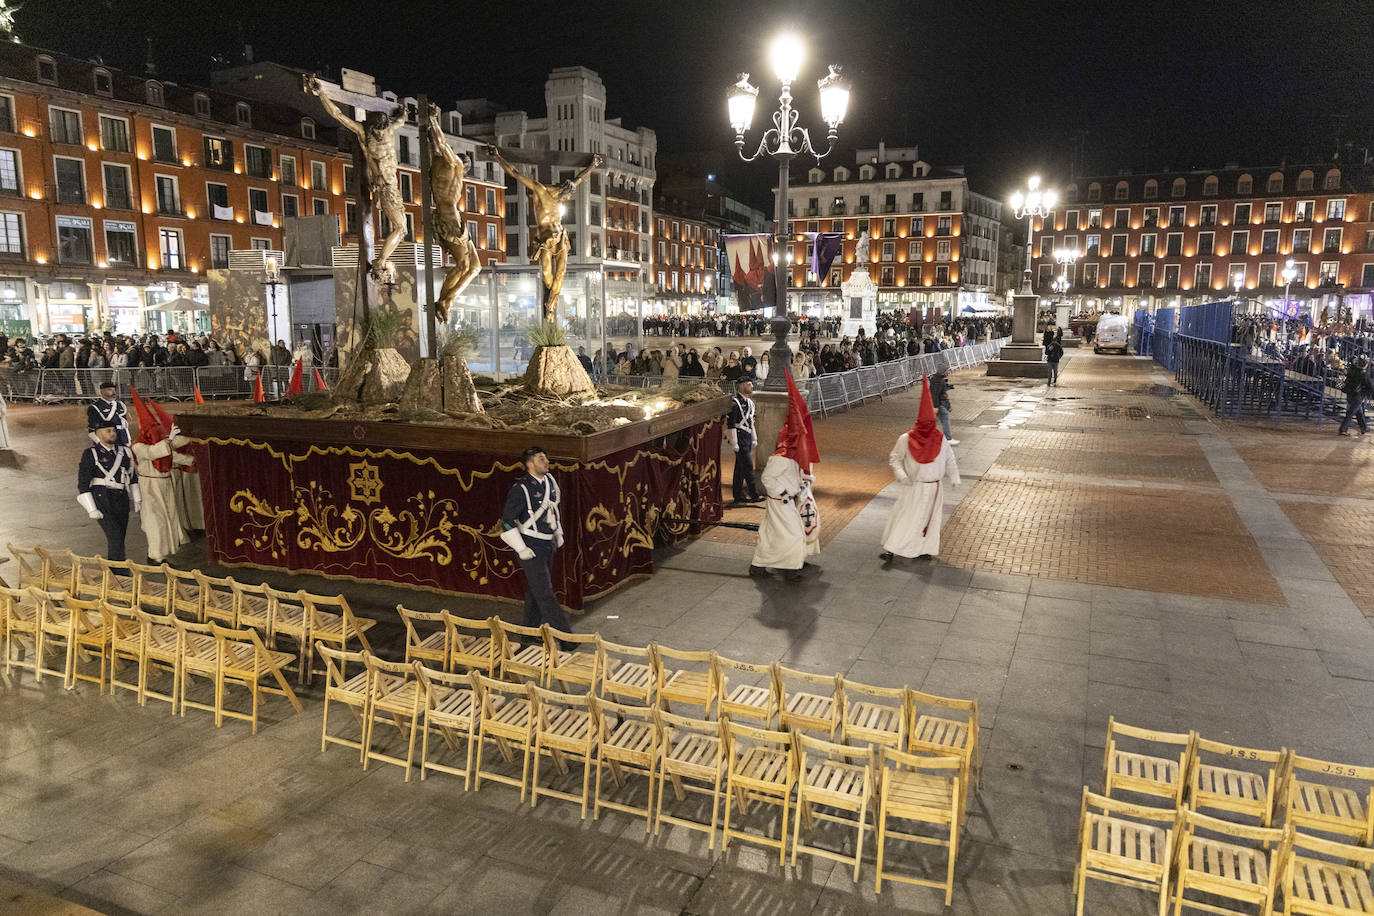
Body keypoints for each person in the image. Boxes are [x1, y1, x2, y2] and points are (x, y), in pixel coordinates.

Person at [880, 377, 961, 562]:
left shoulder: (940, 439)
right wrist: (901, 475)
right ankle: (892, 547)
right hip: (914, 486)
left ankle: (924, 548)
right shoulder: (906, 439)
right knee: (905, 516)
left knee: (930, 520)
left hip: (934, 488)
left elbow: (950, 459)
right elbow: (895, 458)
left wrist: (954, 476)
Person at [750, 371, 820, 581]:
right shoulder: (780, 458)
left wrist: (803, 485)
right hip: (780, 501)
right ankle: (790, 568)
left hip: (787, 499)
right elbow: (767, 479)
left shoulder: (795, 456)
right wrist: (783, 493)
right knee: (793, 533)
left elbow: (798, 476)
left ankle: (759, 565)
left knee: (771, 534)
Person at [500, 445, 574, 635]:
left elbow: (553, 511)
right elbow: (507, 522)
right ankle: (566, 637)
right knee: (545, 593)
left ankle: (529, 634)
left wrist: (558, 532)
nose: (547, 462)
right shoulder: (521, 488)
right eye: (541, 459)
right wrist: (521, 548)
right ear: (529, 463)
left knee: (535, 592)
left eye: (546, 458)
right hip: (531, 545)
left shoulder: (550, 482)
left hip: (547, 543)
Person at [130, 392, 190, 562]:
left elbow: (173, 448)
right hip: (149, 487)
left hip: (165, 485)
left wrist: (191, 434)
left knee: (167, 519)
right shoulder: (138, 446)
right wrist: (169, 440)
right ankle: (154, 555)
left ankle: (162, 553)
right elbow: (153, 452)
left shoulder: (161, 442)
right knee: (155, 522)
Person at [78, 417, 140, 564]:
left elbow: (132, 477)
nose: (113, 433)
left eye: (113, 430)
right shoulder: (91, 454)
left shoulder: (125, 452)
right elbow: (83, 484)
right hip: (102, 499)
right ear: (99, 434)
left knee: (120, 537)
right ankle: (118, 571)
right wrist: (91, 509)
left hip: (121, 498)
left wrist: (137, 499)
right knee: (115, 536)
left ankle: (116, 569)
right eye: (108, 431)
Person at [726, 376, 761, 504]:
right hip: (739, 437)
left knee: (740, 467)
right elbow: (731, 424)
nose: (752, 386)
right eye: (749, 384)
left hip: (746, 436)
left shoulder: (750, 403)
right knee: (748, 466)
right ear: (741, 386)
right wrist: (734, 442)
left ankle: (738, 494)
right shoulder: (735, 403)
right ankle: (754, 495)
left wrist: (754, 438)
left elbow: (751, 422)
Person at [87, 380, 129, 447]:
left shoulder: (120, 405)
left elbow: (124, 425)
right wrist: (99, 443)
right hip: (106, 440)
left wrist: (127, 441)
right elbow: (91, 430)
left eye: (114, 390)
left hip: (121, 440)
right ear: (102, 391)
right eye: (110, 390)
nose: (113, 392)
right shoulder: (95, 407)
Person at [1339, 355, 1372, 436]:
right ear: (1365, 365)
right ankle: (1343, 429)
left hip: (1350, 394)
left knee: (1359, 412)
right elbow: (1370, 385)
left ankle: (1364, 427)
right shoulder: (1363, 374)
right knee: (1351, 413)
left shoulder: (1352, 370)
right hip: (1357, 395)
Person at [929, 366, 958, 445]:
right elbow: (935, 394)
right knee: (944, 417)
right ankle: (948, 438)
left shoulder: (938, 379)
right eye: (947, 371)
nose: (948, 372)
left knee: (939, 419)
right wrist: (935, 406)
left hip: (938, 403)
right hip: (938, 403)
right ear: (943, 372)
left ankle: (932, 437)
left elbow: (938, 390)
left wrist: (948, 387)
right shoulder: (938, 381)